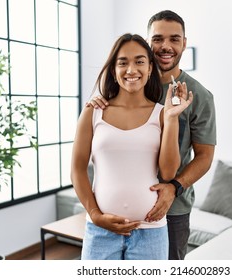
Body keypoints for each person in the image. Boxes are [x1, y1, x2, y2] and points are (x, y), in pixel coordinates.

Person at [87, 10, 216, 260]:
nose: (165, 46)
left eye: (174, 39)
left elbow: (205, 157)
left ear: (184, 43)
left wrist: (174, 187)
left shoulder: (199, 97)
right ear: (148, 43)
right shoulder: (130, 83)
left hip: (172, 210)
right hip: (117, 210)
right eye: (157, 39)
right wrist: (101, 100)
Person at [71, 33, 193, 260]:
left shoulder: (163, 114)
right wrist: (95, 214)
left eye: (139, 61)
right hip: (100, 232)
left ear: (149, 69)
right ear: (113, 71)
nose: (131, 69)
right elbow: (77, 169)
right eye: (123, 62)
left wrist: (173, 117)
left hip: (151, 232)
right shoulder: (93, 111)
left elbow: (167, 172)